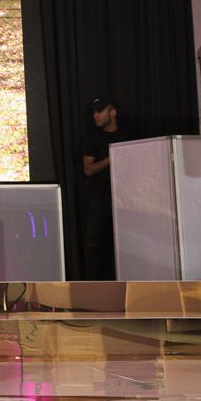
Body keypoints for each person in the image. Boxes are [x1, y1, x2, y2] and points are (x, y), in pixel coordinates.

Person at [79, 99, 125, 278]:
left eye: (99, 111)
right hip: (100, 196)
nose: (95, 116)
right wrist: (113, 157)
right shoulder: (92, 138)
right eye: (93, 112)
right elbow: (88, 169)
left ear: (112, 112)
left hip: (125, 196)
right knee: (94, 244)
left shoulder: (127, 134)